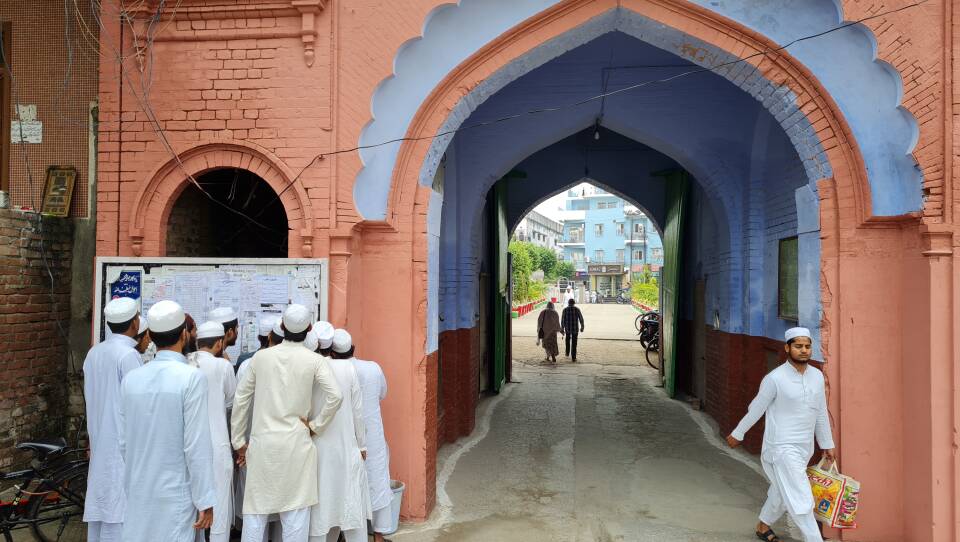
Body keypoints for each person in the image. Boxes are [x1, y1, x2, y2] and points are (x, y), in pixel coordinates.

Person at [231, 304, 343, 542]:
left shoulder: (260, 358)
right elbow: (336, 395)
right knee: (295, 516)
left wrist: (239, 442)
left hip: (262, 446)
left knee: (255, 514)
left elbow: (241, 399)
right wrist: (316, 425)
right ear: (309, 329)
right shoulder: (314, 360)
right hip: (296, 445)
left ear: (281, 327)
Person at [726, 327, 836, 542]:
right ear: (787, 348)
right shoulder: (775, 379)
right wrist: (738, 433)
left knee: (782, 489)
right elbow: (756, 408)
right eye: (798, 346)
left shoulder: (816, 377)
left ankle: (763, 524)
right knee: (801, 497)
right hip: (781, 447)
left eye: (807, 346)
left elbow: (821, 412)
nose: (804, 350)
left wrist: (827, 443)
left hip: (804, 446)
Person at [120, 300, 216, 541]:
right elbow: (196, 445)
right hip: (175, 491)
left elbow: (123, 441)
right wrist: (205, 498)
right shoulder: (191, 378)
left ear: (150, 335)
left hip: (139, 486)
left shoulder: (132, 379)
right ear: (185, 334)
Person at [83, 297, 143, 541]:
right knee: (119, 507)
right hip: (121, 444)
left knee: (103, 502)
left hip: (99, 438)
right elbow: (138, 403)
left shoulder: (94, 353)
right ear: (135, 323)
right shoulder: (128, 355)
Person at [309, 329, 371, 542]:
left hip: (317, 446)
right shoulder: (348, 368)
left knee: (321, 506)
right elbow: (358, 412)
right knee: (349, 501)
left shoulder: (312, 367)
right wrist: (362, 445)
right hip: (346, 445)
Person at [232, 316, 282, 540]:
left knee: (255, 509)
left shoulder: (245, 365)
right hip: (278, 446)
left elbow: (238, 406)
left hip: (250, 447)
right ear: (272, 336)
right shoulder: (285, 363)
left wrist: (239, 444)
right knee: (281, 510)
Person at [195, 321, 238, 542]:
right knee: (220, 505)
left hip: (192, 445)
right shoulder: (223, 366)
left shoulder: (186, 362)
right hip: (218, 443)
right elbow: (232, 402)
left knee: (194, 507)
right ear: (220, 343)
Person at [351, 347, 392, 542]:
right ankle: (379, 534)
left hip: (348, 435)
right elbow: (383, 392)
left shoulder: (332, 369)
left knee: (348, 485)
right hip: (372, 434)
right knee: (378, 479)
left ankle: (348, 534)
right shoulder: (373, 368)